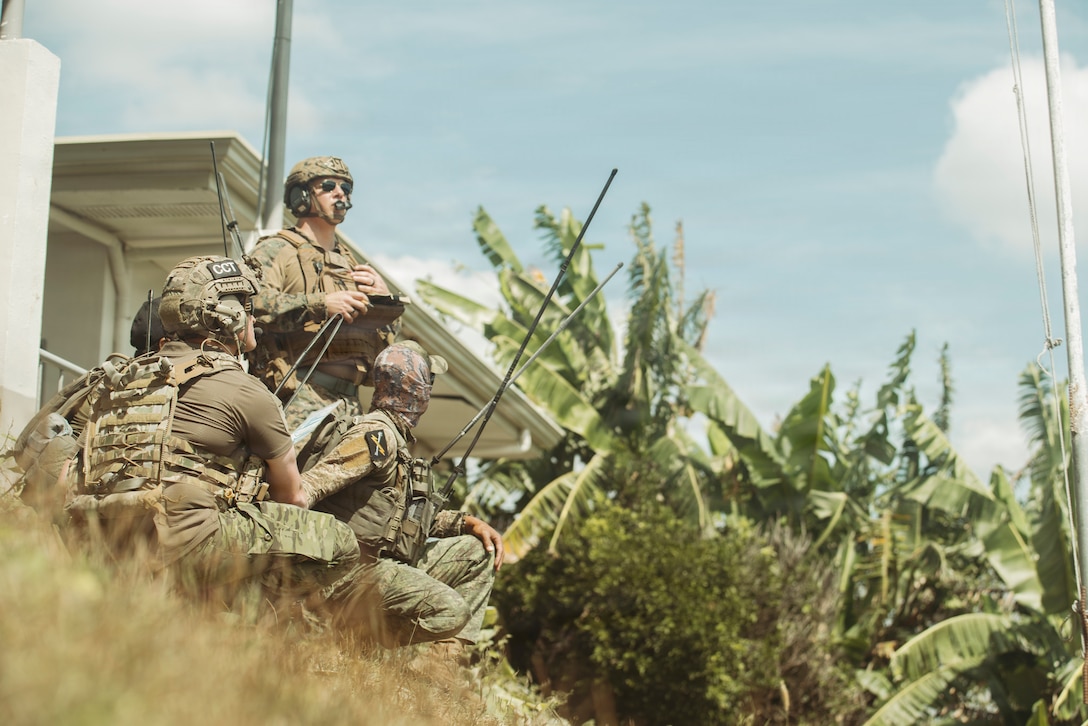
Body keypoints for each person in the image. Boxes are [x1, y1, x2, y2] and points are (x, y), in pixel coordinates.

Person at [143, 255, 359, 605]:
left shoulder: (122, 380)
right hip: (187, 544)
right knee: (339, 544)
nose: (253, 317)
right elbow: (292, 498)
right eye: (247, 307)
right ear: (230, 317)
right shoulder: (246, 391)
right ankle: (238, 614)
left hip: (110, 536)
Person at [299, 341, 505, 652]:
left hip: (380, 564)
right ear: (416, 390)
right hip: (346, 573)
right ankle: (351, 644)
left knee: (479, 553)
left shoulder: (396, 441)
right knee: (450, 611)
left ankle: (443, 667)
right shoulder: (376, 436)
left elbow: (404, 515)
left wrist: (465, 523)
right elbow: (308, 489)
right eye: (428, 382)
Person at [247, 156, 402, 430]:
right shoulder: (277, 249)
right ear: (301, 195)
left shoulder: (353, 264)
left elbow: (386, 337)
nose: (340, 193)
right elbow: (252, 304)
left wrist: (384, 301)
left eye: (346, 188)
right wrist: (321, 304)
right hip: (300, 395)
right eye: (328, 186)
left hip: (352, 403)